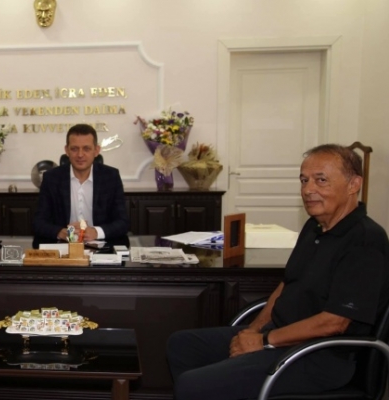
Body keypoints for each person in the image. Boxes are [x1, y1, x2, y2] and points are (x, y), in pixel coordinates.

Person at [167, 144, 389, 400]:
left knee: (194, 385)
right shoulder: (314, 227)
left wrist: (264, 341)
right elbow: (287, 285)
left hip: (320, 356)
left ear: (354, 184)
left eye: (321, 180)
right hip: (281, 336)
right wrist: (253, 330)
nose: (308, 190)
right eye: (304, 180)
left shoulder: (365, 240)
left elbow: (334, 322)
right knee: (182, 345)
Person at [33, 124, 129, 246]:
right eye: (74, 149)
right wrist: (61, 232)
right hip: (63, 246)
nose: (80, 155)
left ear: (96, 150)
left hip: (100, 247)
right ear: (67, 150)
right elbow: (38, 222)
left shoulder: (111, 177)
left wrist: (96, 232)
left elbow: (123, 222)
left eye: (86, 149)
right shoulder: (51, 178)